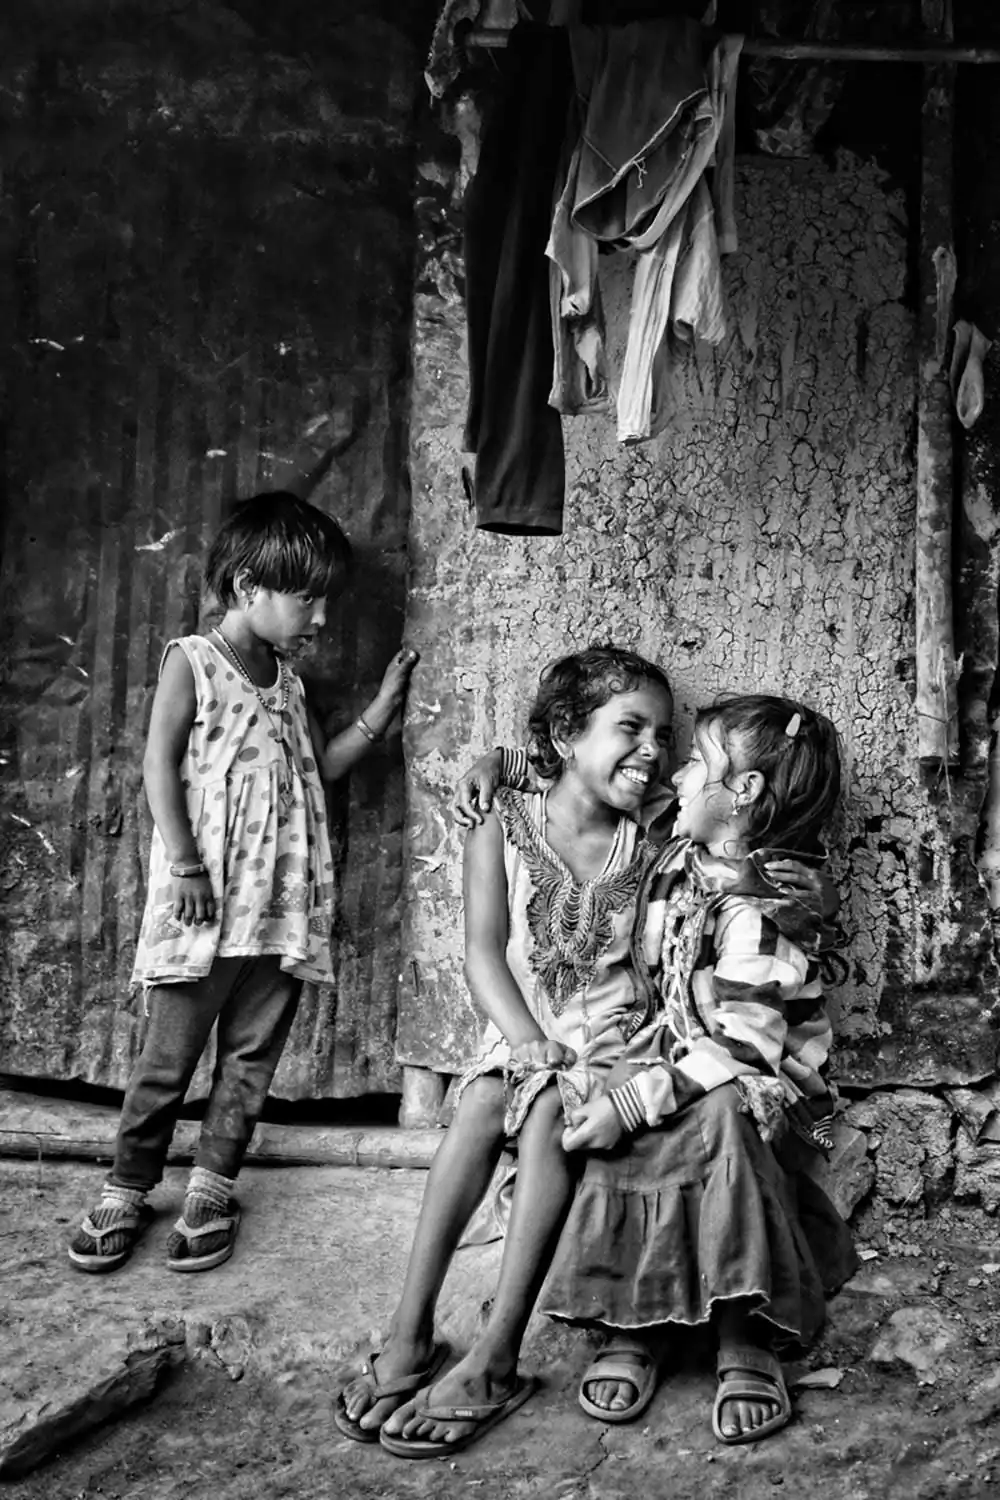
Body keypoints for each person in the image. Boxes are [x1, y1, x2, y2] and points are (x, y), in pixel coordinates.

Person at [455, 694, 852, 1445]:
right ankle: (637, 1318)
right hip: (674, 1049)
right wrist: (497, 764)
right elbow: (578, 768)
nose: (676, 773)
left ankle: (743, 1331)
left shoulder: (765, 906)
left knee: (712, 1114)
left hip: (761, 1082)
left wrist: (638, 1100)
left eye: (696, 761)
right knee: (617, 1092)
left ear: (743, 793)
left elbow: (748, 1047)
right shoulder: (679, 839)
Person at [336, 645, 675, 1458]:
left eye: (663, 735)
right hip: (523, 1031)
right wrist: (528, 1043)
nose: (653, 750)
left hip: (620, 1043)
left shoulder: (656, 828)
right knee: (486, 1097)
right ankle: (409, 1334)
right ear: (564, 734)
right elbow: (482, 955)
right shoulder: (501, 822)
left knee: (550, 1104)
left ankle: (496, 1357)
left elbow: (713, 792)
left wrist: (506, 756)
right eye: (632, 728)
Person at [68, 492, 418, 1275]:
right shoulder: (192, 661)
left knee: (250, 1062)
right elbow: (157, 765)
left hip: (280, 910)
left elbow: (322, 768)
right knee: (167, 1062)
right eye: (306, 598)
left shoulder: (290, 685)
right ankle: (127, 1187)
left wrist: (380, 711)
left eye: (325, 600)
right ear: (247, 586)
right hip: (207, 906)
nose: (320, 617)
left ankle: (212, 1187)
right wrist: (186, 864)